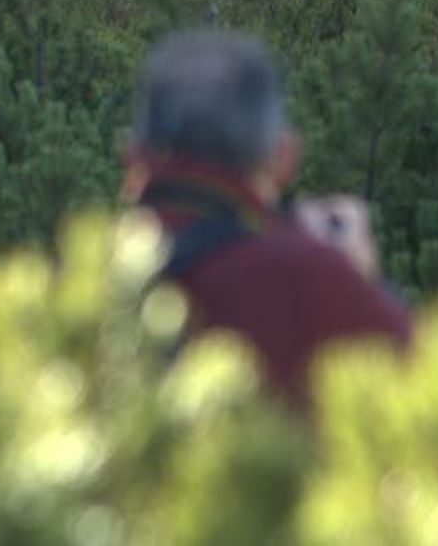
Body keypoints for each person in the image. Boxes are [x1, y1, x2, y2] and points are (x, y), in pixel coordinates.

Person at [122, 29, 412, 409]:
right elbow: (433, 406)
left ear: (133, 156)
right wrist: (359, 278)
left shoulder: (80, 284)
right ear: (285, 158)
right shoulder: (308, 277)